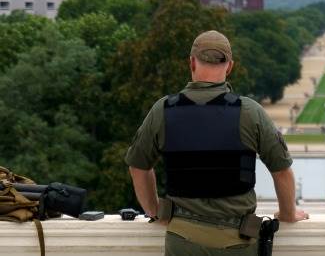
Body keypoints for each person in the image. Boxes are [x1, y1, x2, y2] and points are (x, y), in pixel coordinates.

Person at [125, 30, 309, 256]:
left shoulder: (163, 110)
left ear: (191, 62)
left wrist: (154, 210)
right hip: (238, 241)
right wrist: (288, 214)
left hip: (182, 239)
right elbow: (281, 171)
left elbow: (138, 167)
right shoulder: (250, 112)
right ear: (229, 66)